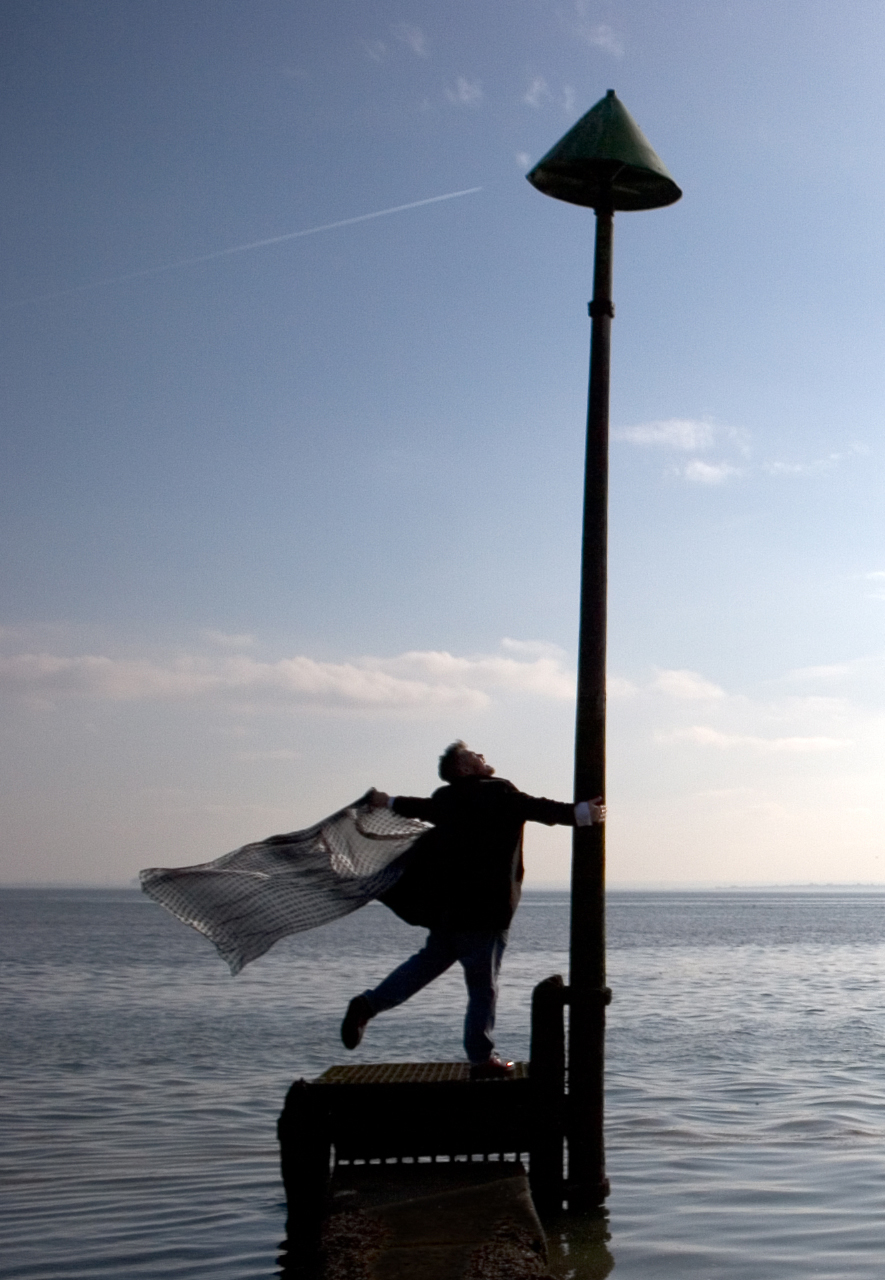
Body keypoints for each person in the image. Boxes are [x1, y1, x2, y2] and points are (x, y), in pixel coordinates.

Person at [340, 741, 605, 1078]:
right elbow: (536, 808)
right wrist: (582, 814)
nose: (482, 756)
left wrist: (387, 801)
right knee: (482, 987)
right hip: (485, 910)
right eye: (474, 755)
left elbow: (418, 807)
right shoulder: (498, 792)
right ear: (464, 768)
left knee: (422, 968)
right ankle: (482, 1060)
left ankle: (367, 1004)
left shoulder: (446, 799)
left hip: (449, 911)